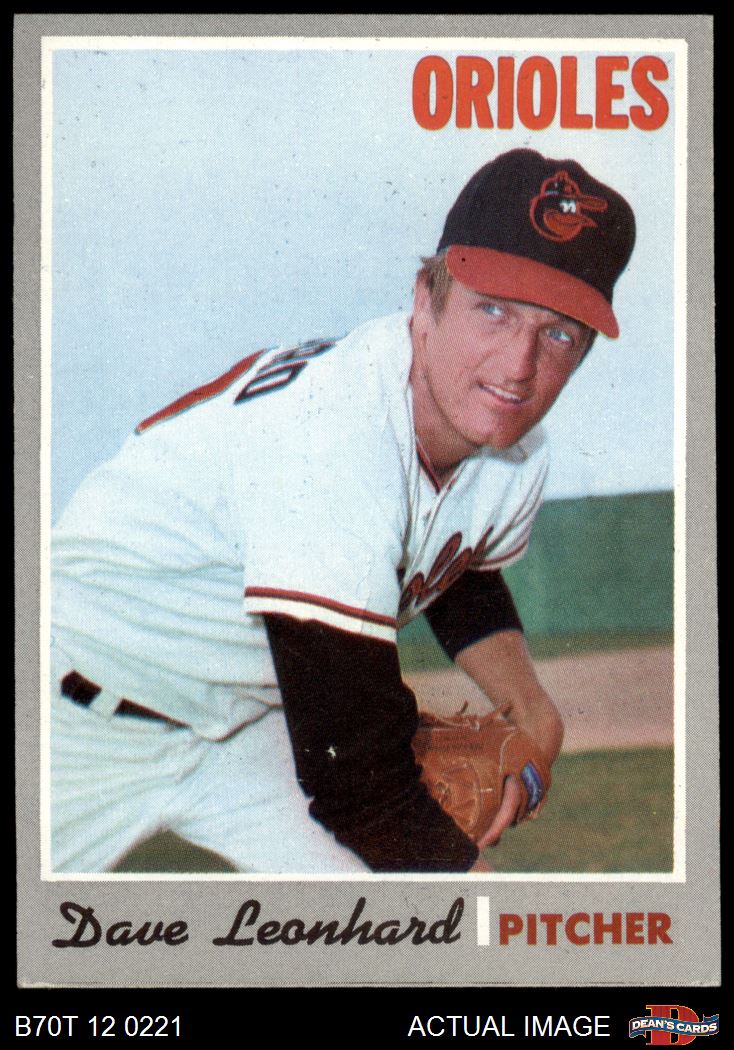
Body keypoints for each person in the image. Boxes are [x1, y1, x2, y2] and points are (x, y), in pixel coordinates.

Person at [50, 148, 635, 874]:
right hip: (69, 712)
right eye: (493, 310)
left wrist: (531, 706)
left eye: (558, 334)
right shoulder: (331, 438)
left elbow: (457, 567)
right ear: (425, 299)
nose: (518, 365)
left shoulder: (512, 451)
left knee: (453, 920)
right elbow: (359, 787)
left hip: (251, 725)